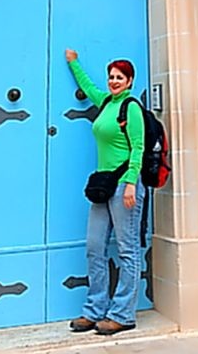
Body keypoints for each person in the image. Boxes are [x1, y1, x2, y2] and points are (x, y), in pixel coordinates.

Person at [65, 48, 146, 336]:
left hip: (125, 186)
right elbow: (88, 88)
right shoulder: (107, 102)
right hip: (104, 187)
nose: (114, 81)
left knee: (127, 250)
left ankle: (123, 314)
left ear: (130, 81)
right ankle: (95, 309)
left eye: (119, 77)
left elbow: (138, 147)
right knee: (94, 246)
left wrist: (131, 182)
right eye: (111, 77)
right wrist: (74, 63)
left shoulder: (131, 107)